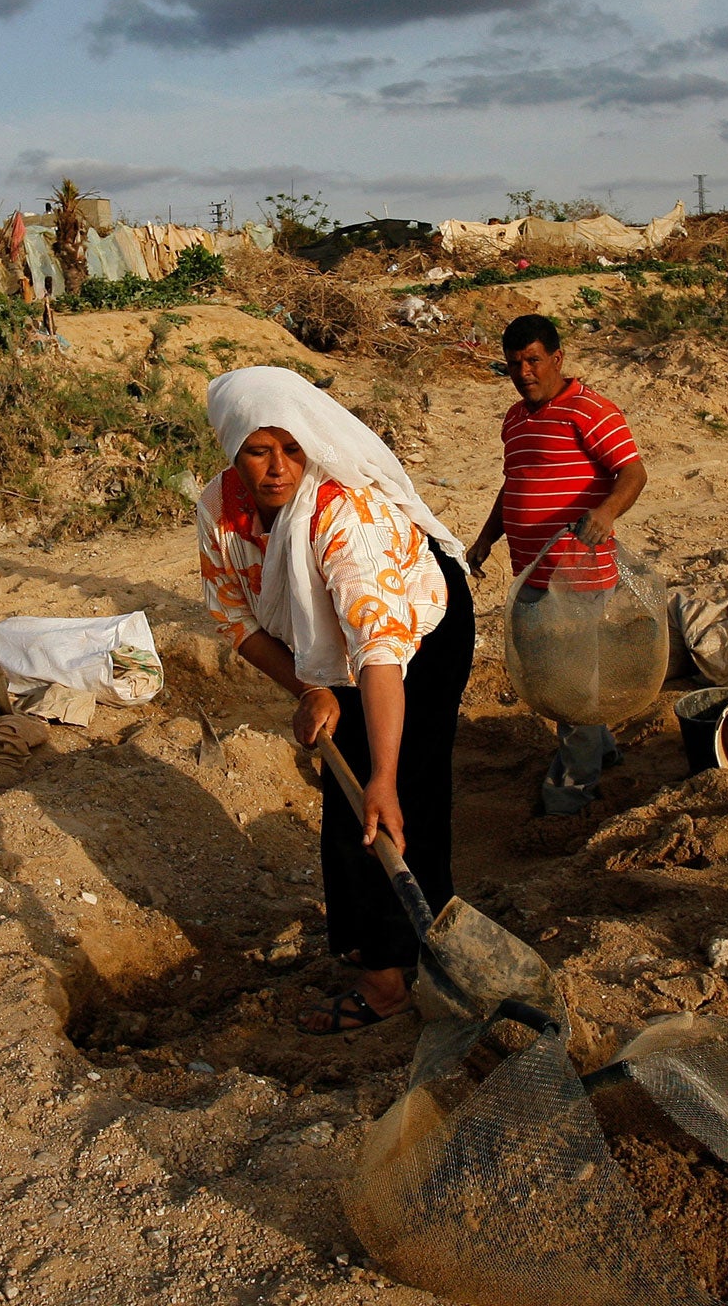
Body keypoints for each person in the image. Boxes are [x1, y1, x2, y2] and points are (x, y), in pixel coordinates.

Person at [196, 366, 476, 1035]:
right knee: (348, 803)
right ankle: (383, 959)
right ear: (233, 450)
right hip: (338, 656)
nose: (276, 469)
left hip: (422, 632)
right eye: (258, 452)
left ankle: (403, 970)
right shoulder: (219, 509)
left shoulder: (344, 514)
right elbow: (236, 620)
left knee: (398, 797)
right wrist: (311, 689)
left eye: (292, 450)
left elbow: (380, 652)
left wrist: (382, 776)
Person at [466, 314, 648, 815]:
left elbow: (632, 471)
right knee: (566, 673)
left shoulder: (590, 410)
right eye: (514, 364)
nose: (524, 372)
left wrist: (606, 512)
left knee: (569, 681)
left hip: (579, 575)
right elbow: (515, 485)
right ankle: (601, 748)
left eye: (533, 360)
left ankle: (574, 788)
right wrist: (486, 538)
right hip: (533, 572)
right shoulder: (515, 419)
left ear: (557, 358)